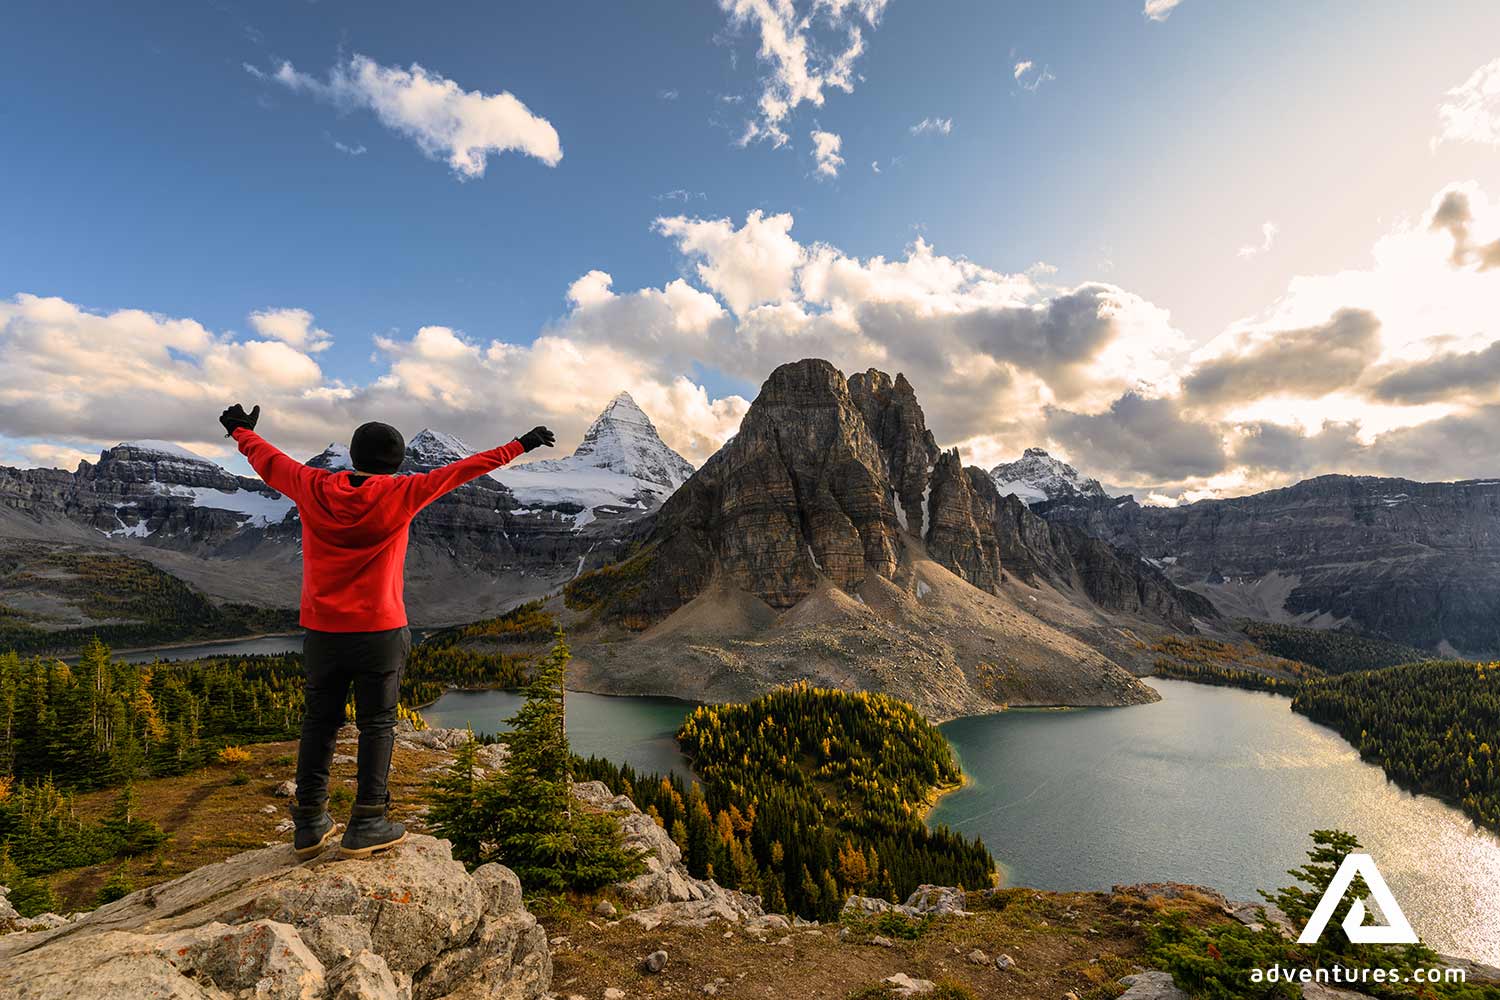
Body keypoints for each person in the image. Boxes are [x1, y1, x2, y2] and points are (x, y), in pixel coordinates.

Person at [219, 403, 555, 859]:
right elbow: (463, 471)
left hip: (322, 630)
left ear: (354, 457)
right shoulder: (403, 492)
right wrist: (521, 443)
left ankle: (309, 823)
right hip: (379, 629)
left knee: (319, 722)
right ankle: (368, 819)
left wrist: (241, 431)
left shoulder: (311, 483)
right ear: (396, 462)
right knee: (377, 724)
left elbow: (269, 460)